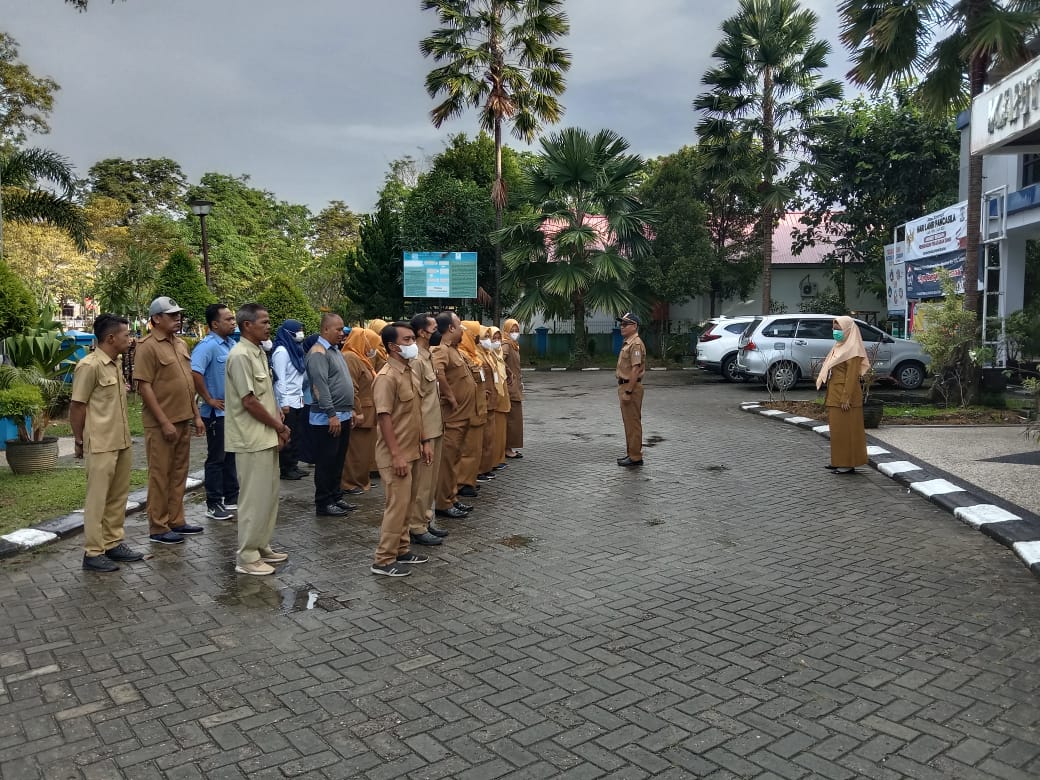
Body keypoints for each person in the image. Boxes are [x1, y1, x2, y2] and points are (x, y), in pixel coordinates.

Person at [70, 314, 145, 572]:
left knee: (117, 496)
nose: (130, 339)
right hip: (100, 442)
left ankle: (113, 543)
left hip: (121, 440)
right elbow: (77, 406)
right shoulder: (89, 366)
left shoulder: (115, 363)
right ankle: (93, 552)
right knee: (97, 499)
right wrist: (79, 440)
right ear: (111, 338)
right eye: (126, 335)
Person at [224, 304, 292, 575]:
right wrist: (279, 426)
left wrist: (278, 426)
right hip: (250, 438)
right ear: (247, 325)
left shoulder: (258, 352)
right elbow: (249, 401)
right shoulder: (240, 355)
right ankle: (247, 556)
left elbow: (266, 395)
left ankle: (261, 545)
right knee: (253, 499)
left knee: (268, 496)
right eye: (263, 322)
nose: (268, 326)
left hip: (265, 436)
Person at [134, 296, 205, 543]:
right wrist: (164, 422)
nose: (178, 319)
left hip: (184, 418)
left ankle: (176, 520)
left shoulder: (180, 344)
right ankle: (158, 527)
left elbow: (187, 384)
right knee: (160, 474)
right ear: (156, 319)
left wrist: (196, 416)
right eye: (172, 315)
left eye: (178, 315)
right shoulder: (147, 346)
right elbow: (144, 387)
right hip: (161, 423)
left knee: (178, 473)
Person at [370, 322, 434, 577]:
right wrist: (396, 454)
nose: (412, 344)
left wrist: (424, 441)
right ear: (393, 346)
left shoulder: (409, 372)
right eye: (407, 340)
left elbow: (415, 414)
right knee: (396, 507)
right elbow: (384, 418)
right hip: (395, 454)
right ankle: (383, 559)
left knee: (407, 505)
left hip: (413, 450)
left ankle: (402, 549)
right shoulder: (386, 377)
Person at [191, 303, 239, 521]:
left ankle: (232, 497)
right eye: (228, 319)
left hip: (231, 411)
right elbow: (195, 373)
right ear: (214, 324)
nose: (232, 322)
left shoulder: (229, 345)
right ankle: (213, 503)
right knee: (216, 458)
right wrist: (208, 398)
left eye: (232, 318)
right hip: (215, 414)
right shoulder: (207, 346)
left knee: (231, 456)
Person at [306, 313, 356, 516]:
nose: (342, 333)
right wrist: (331, 414)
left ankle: (336, 496)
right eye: (338, 329)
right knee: (326, 461)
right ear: (325, 329)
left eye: (343, 329)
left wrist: (348, 409)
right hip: (327, 418)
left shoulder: (335, 351)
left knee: (338, 460)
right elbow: (320, 386)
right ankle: (323, 502)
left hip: (342, 414)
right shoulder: (318, 352)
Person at [408, 313, 449, 546]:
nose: (438, 332)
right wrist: (423, 436)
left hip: (436, 426)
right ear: (423, 332)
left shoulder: (427, 356)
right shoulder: (416, 360)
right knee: (422, 482)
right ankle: (416, 526)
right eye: (434, 328)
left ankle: (426, 519)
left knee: (431, 481)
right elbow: (416, 401)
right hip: (425, 430)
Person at [432, 311, 476, 519]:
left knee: (455, 458)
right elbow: (438, 373)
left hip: (463, 415)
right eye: (459, 327)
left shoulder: (455, 350)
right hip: (452, 417)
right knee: (447, 461)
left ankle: (452, 497)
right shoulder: (441, 350)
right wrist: (449, 396)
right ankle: (443, 503)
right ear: (450, 328)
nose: (462, 331)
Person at [817, 315, 870, 474]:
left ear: (847, 330)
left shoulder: (853, 350)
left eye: (838, 329)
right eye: (834, 329)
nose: (834, 331)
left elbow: (852, 376)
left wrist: (846, 397)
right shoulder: (839, 346)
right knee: (838, 431)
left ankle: (847, 464)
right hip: (835, 394)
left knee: (847, 431)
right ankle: (838, 461)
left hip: (845, 397)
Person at [340, 327, 377, 494]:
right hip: (360, 412)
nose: (373, 349)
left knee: (363, 451)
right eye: (372, 344)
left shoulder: (362, 358)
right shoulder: (350, 357)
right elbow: (351, 387)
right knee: (354, 451)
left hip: (368, 411)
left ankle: (361, 480)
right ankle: (349, 482)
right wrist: (356, 409)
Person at [271, 319, 308, 480]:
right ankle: (285, 468)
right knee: (287, 434)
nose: (300, 333)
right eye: (298, 330)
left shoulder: (295, 349)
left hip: (297, 399)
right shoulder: (282, 351)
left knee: (297, 434)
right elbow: (280, 379)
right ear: (288, 332)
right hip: (287, 402)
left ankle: (293, 464)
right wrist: (284, 403)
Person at [616, 312, 646, 467]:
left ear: (634, 326)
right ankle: (631, 454)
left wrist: (628, 391)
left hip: (631, 387)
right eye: (621, 324)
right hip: (626, 385)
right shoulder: (628, 342)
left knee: (633, 423)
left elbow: (635, 370)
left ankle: (635, 457)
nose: (622, 327)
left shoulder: (635, 344)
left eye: (625, 324)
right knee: (628, 423)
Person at [502, 318, 524, 459]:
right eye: (512, 331)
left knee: (514, 419)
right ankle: (507, 449)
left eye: (516, 330)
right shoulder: (506, 345)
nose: (515, 333)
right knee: (511, 420)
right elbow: (500, 360)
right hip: (510, 388)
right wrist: (508, 373)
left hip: (515, 387)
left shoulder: (514, 345)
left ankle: (508, 447)